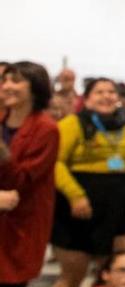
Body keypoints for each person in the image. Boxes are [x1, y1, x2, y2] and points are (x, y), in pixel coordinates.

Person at [53, 78, 125, 287]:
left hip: (119, 207)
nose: (106, 96)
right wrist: (75, 195)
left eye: (111, 92)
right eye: (99, 92)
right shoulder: (72, 124)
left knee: (118, 274)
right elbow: (56, 163)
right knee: (73, 276)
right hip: (78, 208)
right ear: (88, 98)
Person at [0, 61, 60, 287]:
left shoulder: (46, 129)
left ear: (35, 87)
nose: (6, 86)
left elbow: (20, 181)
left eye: (15, 80)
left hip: (20, 226)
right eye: (4, 80)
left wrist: (2, 152)